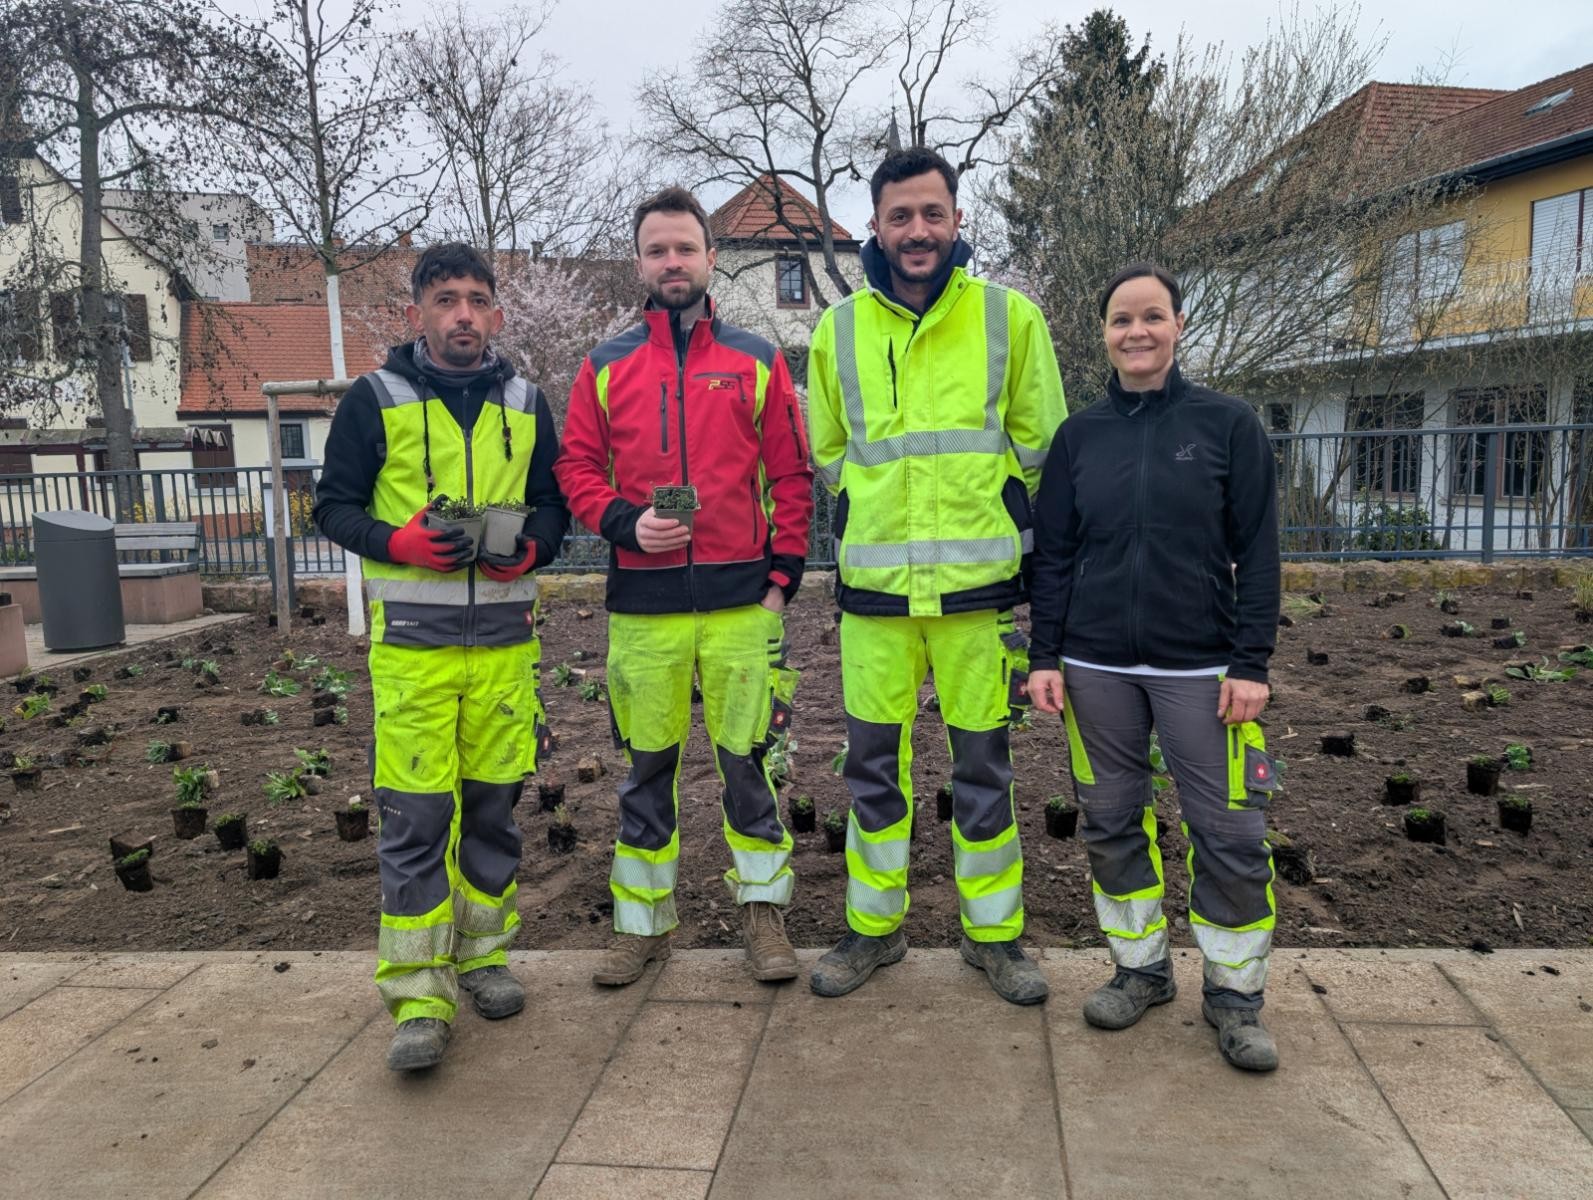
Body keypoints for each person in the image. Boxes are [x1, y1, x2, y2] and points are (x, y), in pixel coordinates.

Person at [805, 148, 1066, 1004]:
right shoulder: (837, 330)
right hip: (875, 600)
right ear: (874, 227)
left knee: (983, 771)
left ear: (957, 219)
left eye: (931, 213)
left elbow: (1044, 450)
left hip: (978, 596)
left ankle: (993, 937)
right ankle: (872, 930)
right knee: (871, 771)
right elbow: (830, 453)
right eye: (899, 216)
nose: (916, 230)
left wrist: (1014, 533)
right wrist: (867, 513)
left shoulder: (1009, 318)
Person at [313, 242, 569, 1072]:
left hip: (503, 651)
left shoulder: (527, 402)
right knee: (417, 819)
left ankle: (484, 957)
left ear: (496, 313)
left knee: (492, 812)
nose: (463, 314)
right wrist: (399, 543)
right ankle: (420, 997)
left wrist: (531, 549)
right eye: (446, 299)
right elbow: (332, 507)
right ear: (416, 312)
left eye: (476, 300)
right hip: (415, 656)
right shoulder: (374, 399)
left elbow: (553, 507)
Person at [556, 186, 814, 987]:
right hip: (644, 612)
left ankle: (763, 915)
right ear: (639, 263)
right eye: (657, 250)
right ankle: (641, 926)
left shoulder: (756, 359)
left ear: (710, 258)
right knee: (645, 775)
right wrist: (623, 523)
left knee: (750, 767)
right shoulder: (605, 365)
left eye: (685, 248)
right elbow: (575, 468)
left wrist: (781, 580)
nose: (672, 262)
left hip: (741, 608)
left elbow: (792, 473)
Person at [1027, 262, 1282, 1071]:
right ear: (1102, 334)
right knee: (1109, 821)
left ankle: (1234, 995)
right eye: (1120, 319)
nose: (1135, 331)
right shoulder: (1078, 437)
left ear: (1177, 325)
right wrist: (1043, 655)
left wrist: (1250, 662)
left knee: (1229, 830)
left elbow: (1259, 552)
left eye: (1151, 316)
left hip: (1201, 669)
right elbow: (1053, 556)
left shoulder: (1227, 425)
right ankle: (1139, 970)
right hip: (1093, 664)